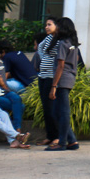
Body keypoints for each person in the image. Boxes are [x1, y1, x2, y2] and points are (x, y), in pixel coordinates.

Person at [47, 17, 81, 151]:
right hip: (69, 77)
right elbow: (76, 59)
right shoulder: (72, 43)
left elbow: (60, 65)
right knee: (57, 112)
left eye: (59, 26)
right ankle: (72, 140)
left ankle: (62, 142)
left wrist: (53, 86)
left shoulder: (62, 43)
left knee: (63, 112)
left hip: (62, 79)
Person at [36, 16, 60, 146]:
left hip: (51, 76)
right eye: (46, 25)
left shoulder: (59, 40)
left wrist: (47, 59)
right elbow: (40, 48)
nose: (46, 27)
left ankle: (56, 136)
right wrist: (44, 57)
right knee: (46, 108)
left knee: (51, 108)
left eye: (49, 24)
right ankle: (50, 136)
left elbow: (59, 57)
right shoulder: (49, 38)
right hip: (43, 76)